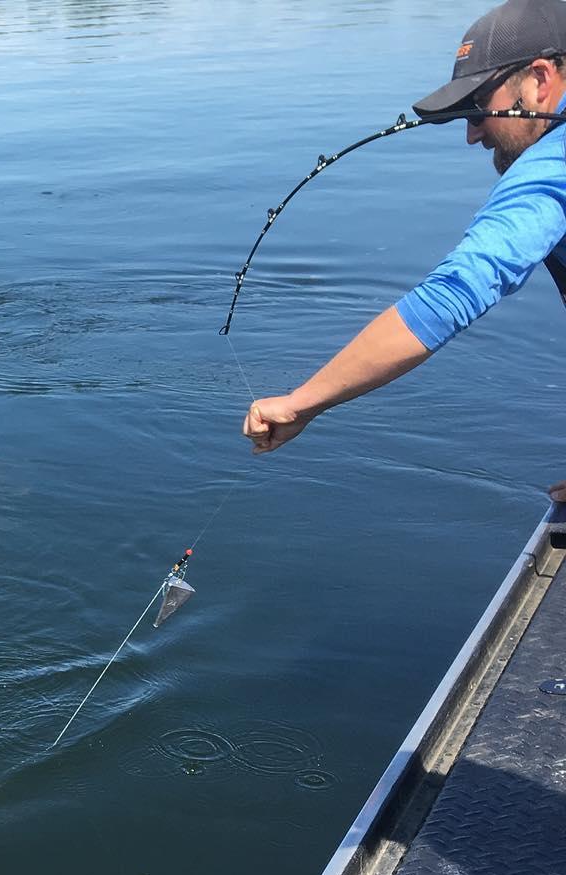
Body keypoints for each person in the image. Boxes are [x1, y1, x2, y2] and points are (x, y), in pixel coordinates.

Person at [242, 0, 566, 501]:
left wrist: (302, 403)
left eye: (479, 106)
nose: (472, 134)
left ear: (540, 81)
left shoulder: (550, 165)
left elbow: (451, 295)